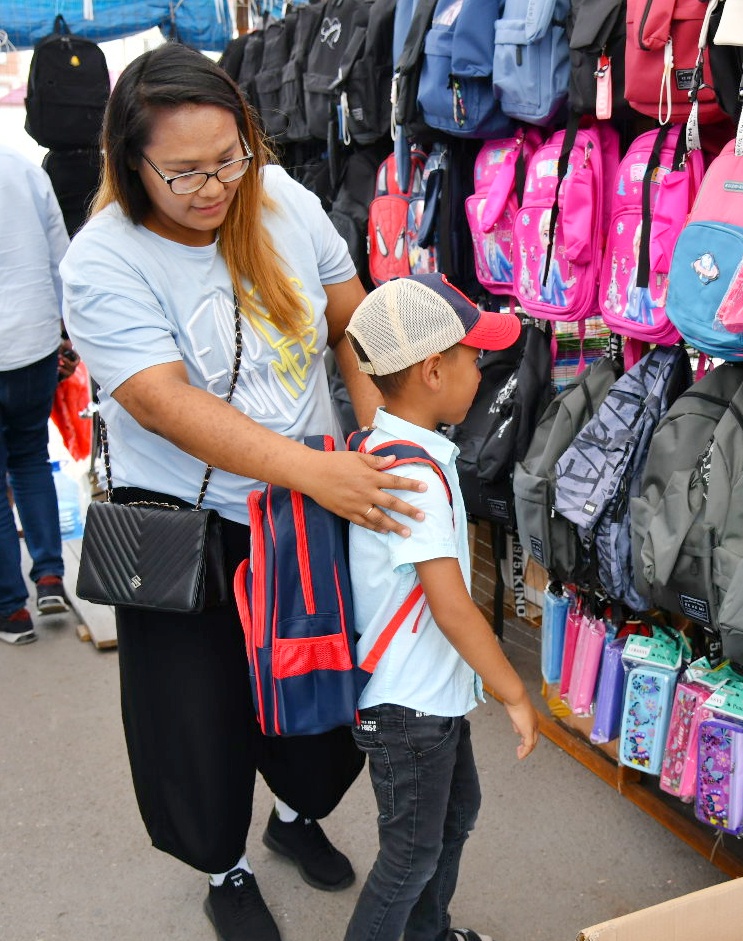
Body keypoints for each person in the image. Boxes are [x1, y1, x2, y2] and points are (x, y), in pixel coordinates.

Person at [61, 43, 433, 941]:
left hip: (304, 521)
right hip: (191, 531)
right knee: (199, 721)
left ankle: (297, 816)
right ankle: (224, 867)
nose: (214, 186)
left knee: (327, 707)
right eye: (184, 171)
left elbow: (353, 322)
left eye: (229, 158)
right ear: (130, 160)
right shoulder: (103, 260)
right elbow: (162, 401)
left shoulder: (284, 202)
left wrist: (392, 435)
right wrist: (319, 469)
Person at [341, 273, 540, 941]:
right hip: (410, 707)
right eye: (471, 355)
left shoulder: (385, 445)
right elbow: (452, 607)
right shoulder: (414, 478)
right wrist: (513, 690)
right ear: (432, 370)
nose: (480, 368)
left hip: (430, 697)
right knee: (409, 854)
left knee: (452, 818)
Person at [0, 143, 74, 646]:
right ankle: (49, 575)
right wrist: (64, 333)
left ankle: (11, 611)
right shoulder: (24, 171)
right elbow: (60, 262)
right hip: (33, 343)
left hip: (28, 340)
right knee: (29, 459)